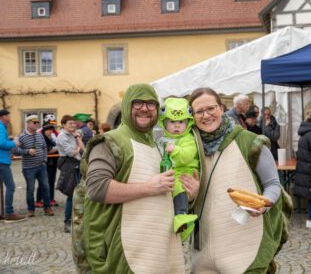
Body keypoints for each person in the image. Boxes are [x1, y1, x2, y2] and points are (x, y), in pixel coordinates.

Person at [75, 84, 199, 273]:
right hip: (125, 253)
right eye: (138, 103)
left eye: (151, 103)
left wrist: (189, 194)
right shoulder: (112, 141)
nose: (144, 108)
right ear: (126, 106)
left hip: (156, 252)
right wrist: (148, 187)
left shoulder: (157, 144)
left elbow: (164, 190)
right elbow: (97, 188)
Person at [188, 88, 284, 273]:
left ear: (222, 108)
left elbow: (272, 184)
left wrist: (264, 204)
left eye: (211, 108)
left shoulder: (250, 142)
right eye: (199, 111)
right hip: (203, 251)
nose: (206, 115)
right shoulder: (189, 147)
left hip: (244, 245)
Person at [159, 97, 199, 241]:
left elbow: (187, 156)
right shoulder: (163, 138)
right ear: (164, 123)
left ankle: (183, 217)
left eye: (181, 122)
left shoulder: (187, 139)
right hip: (171, 173)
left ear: (187, 123)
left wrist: (175, 150)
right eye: (172, 122)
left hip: (185, 173)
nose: (177, 126)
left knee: (178, 187)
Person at [0, 109, 26, 222]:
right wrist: (14, 143)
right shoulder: (0, 127)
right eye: (8, 116)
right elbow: (0, 143)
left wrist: (8, 139)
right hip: (1, 161)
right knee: (11, 186)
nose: (9, 119)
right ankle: (9, 213)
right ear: (3, 117)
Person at [14, 115, 54, 217]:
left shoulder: (40, 135)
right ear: (28, 123)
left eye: (37, 123)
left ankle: (47, 208)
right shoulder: (22, 136)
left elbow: (44, 147)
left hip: (41, 166)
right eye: (34, 123)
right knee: (30, 189)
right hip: (29, 168)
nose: (36, 124)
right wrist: (27, 151)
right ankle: (31, 210)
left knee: (45, 187)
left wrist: (45, 159)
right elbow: (15, 151)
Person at [56, 114, 85, 233]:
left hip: (77, 164)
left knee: (78, 193)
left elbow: (83, 149)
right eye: (70, 124)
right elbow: (71, 153)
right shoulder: (62, 136)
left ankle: (77, 219)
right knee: (71, 194)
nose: (73, 125)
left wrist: (78, 138)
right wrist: (78, 146)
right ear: (64, 125)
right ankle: (67, 222)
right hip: (68, 164)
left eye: (74, 123)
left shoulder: (75, 134)